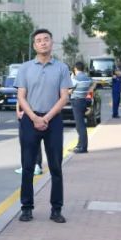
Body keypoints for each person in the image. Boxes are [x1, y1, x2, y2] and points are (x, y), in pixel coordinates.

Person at [15, 28, 73, 224]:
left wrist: (46, 118)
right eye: (39, 40)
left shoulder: (62, 68)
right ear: (34, 46)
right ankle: (26, 208)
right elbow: (21, 96)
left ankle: (56, 209)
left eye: (46, 39)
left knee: (56, 166)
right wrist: (33, 117)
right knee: (28, 166)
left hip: (53, 119)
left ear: (51, 43)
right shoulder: (25, 68)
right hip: (30, 120)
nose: (43, 43)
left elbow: (64, 96)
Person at [70, 61, 93, 153]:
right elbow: (92, 85)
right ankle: (79, 145)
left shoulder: (76, 78)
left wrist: (71, 77)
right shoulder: (87, 78)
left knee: (80, 126)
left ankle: (83, 147)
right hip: (83, 100)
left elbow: (69, 90)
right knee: (79, 125)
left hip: (77, 101)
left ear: (75, 69)